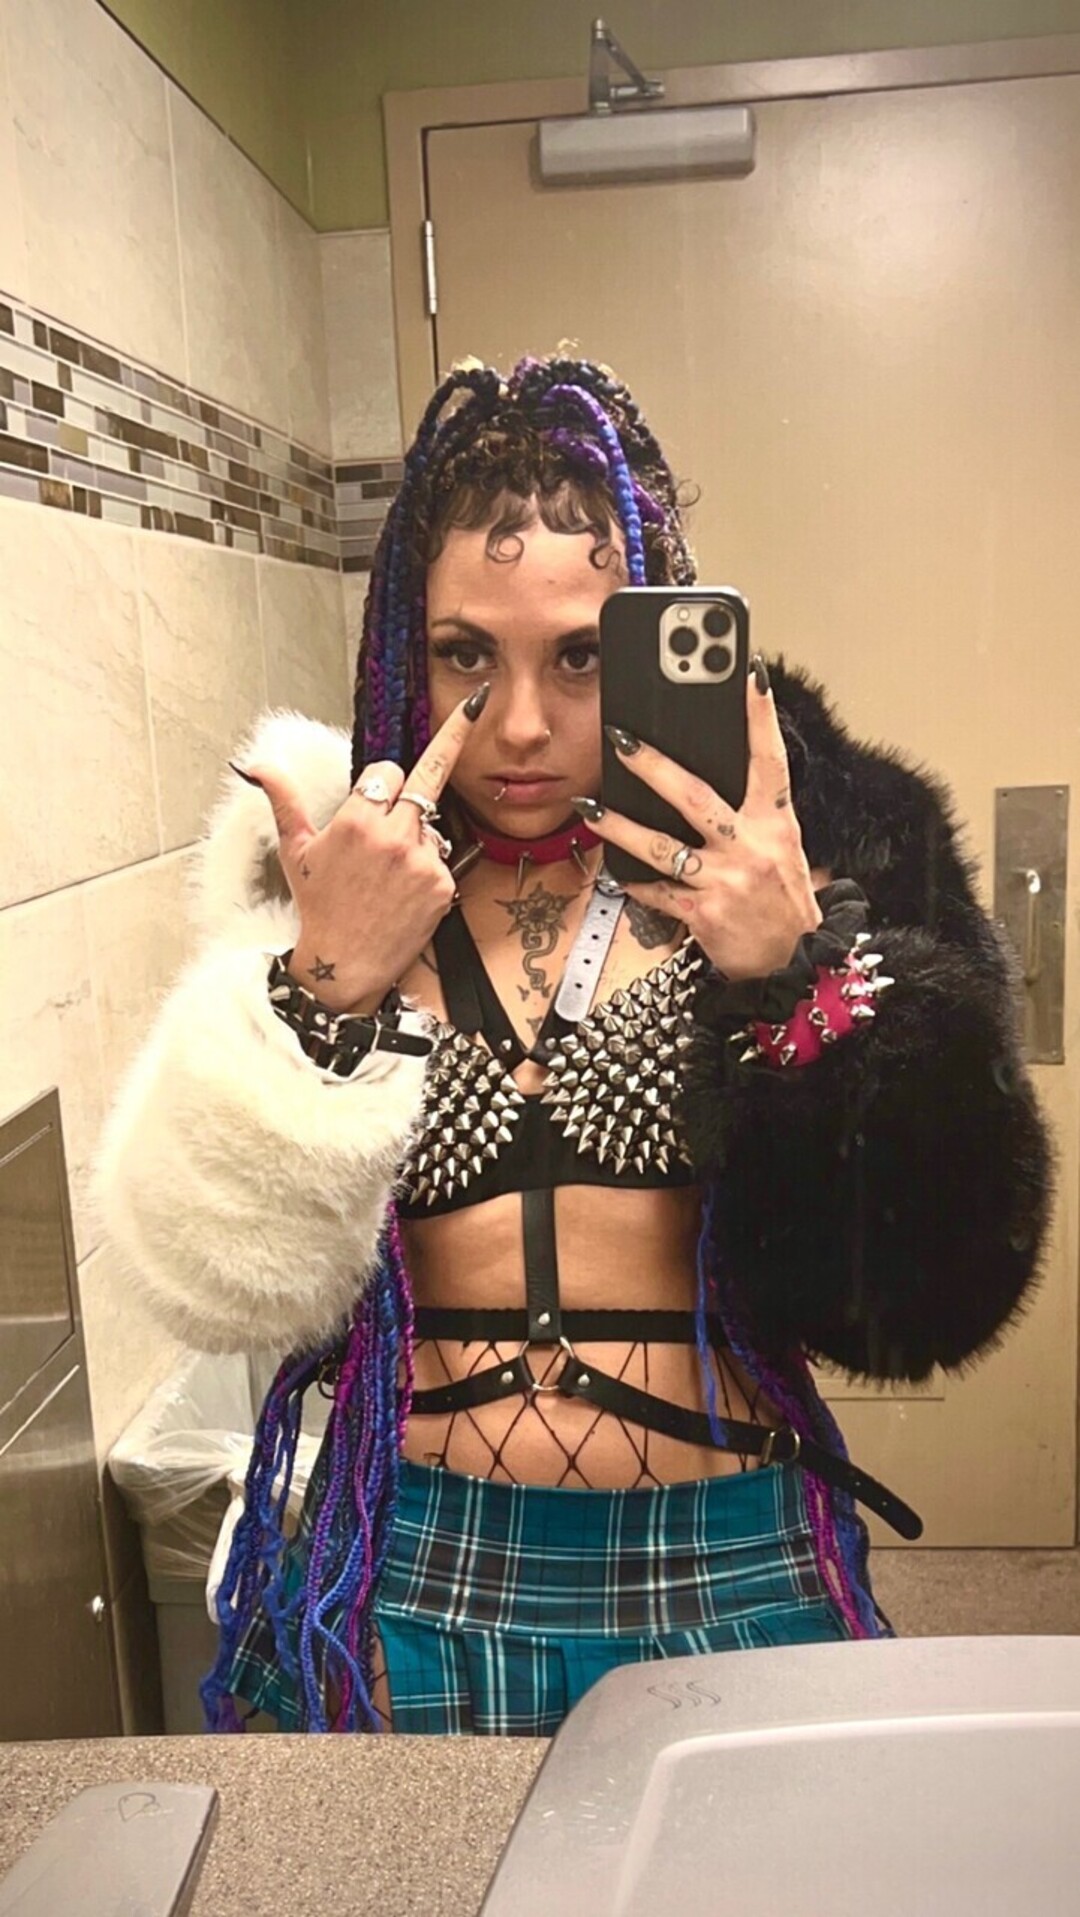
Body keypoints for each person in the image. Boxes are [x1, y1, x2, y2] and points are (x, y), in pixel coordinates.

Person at [99, 355, 1050, 1736]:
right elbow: (211, 1289)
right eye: (466, 655)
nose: (523, 724)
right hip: (409, 1574)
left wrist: (797, 978)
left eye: (583, 657)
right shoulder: (335, 880)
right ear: (406, 648)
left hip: (728, 1555)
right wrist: (325, 985)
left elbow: (945, 1282)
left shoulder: (803, 862)